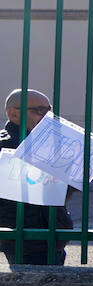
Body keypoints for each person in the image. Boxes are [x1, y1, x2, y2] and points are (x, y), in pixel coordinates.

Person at [0, 89, 72, 265]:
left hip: (52, 232)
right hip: (25, 236)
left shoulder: (46, 141)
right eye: (39, 110)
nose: (46, 116)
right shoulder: (5, 146)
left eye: (49, 110)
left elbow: (58, 194)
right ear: (13, 113)